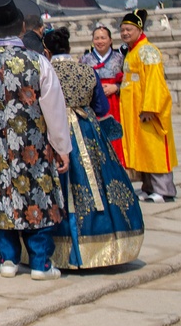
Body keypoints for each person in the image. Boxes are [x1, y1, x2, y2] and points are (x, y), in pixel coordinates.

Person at [0, 0, 71, 280]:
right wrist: (62, 147)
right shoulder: (37, 62)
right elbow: (54, 109)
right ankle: (40, 262)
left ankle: (7, 258)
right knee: (36, 196)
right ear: (23, 27)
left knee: (1, 196)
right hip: (33, 145)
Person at [43, 27, 144, 269]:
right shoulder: (86, 70)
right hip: (87, 131)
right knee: (99, 183)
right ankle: (104, 246)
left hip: (55, 131)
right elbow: (100, 107)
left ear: (46, 51)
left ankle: (59, 250)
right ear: (69, 48)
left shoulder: (45, 72)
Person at [119, 10, 179, 203]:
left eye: (129, 29)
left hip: (146, 109)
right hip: (133, 109)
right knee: (142, 148)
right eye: (123, 30)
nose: (125, 33)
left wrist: (150, 107)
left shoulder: (148, 51)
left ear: (139, 29)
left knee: (154, 148)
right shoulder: (132, 51)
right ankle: (148, 187)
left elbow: (155, 82)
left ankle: (164, 189)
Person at [80, 26, 126, 165]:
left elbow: (129, 82)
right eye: (97, 38)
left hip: (114, 102)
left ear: (110, 40)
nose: (100, 41)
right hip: (94, 104)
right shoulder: (85, 59)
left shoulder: (119, 58)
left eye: (103, 38)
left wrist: (116, 87)